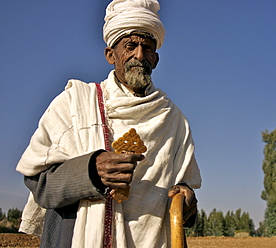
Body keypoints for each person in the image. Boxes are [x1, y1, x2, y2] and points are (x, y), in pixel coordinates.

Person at [16, 0, 202, 247]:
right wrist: (91, 169)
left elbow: (184, 190)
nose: (139, 55)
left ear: (156, 59)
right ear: (110, 55)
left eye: (147, 48)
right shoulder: (74, 103)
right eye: (130, 45)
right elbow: (38, 181)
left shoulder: (174, 119)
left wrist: (187, 200)